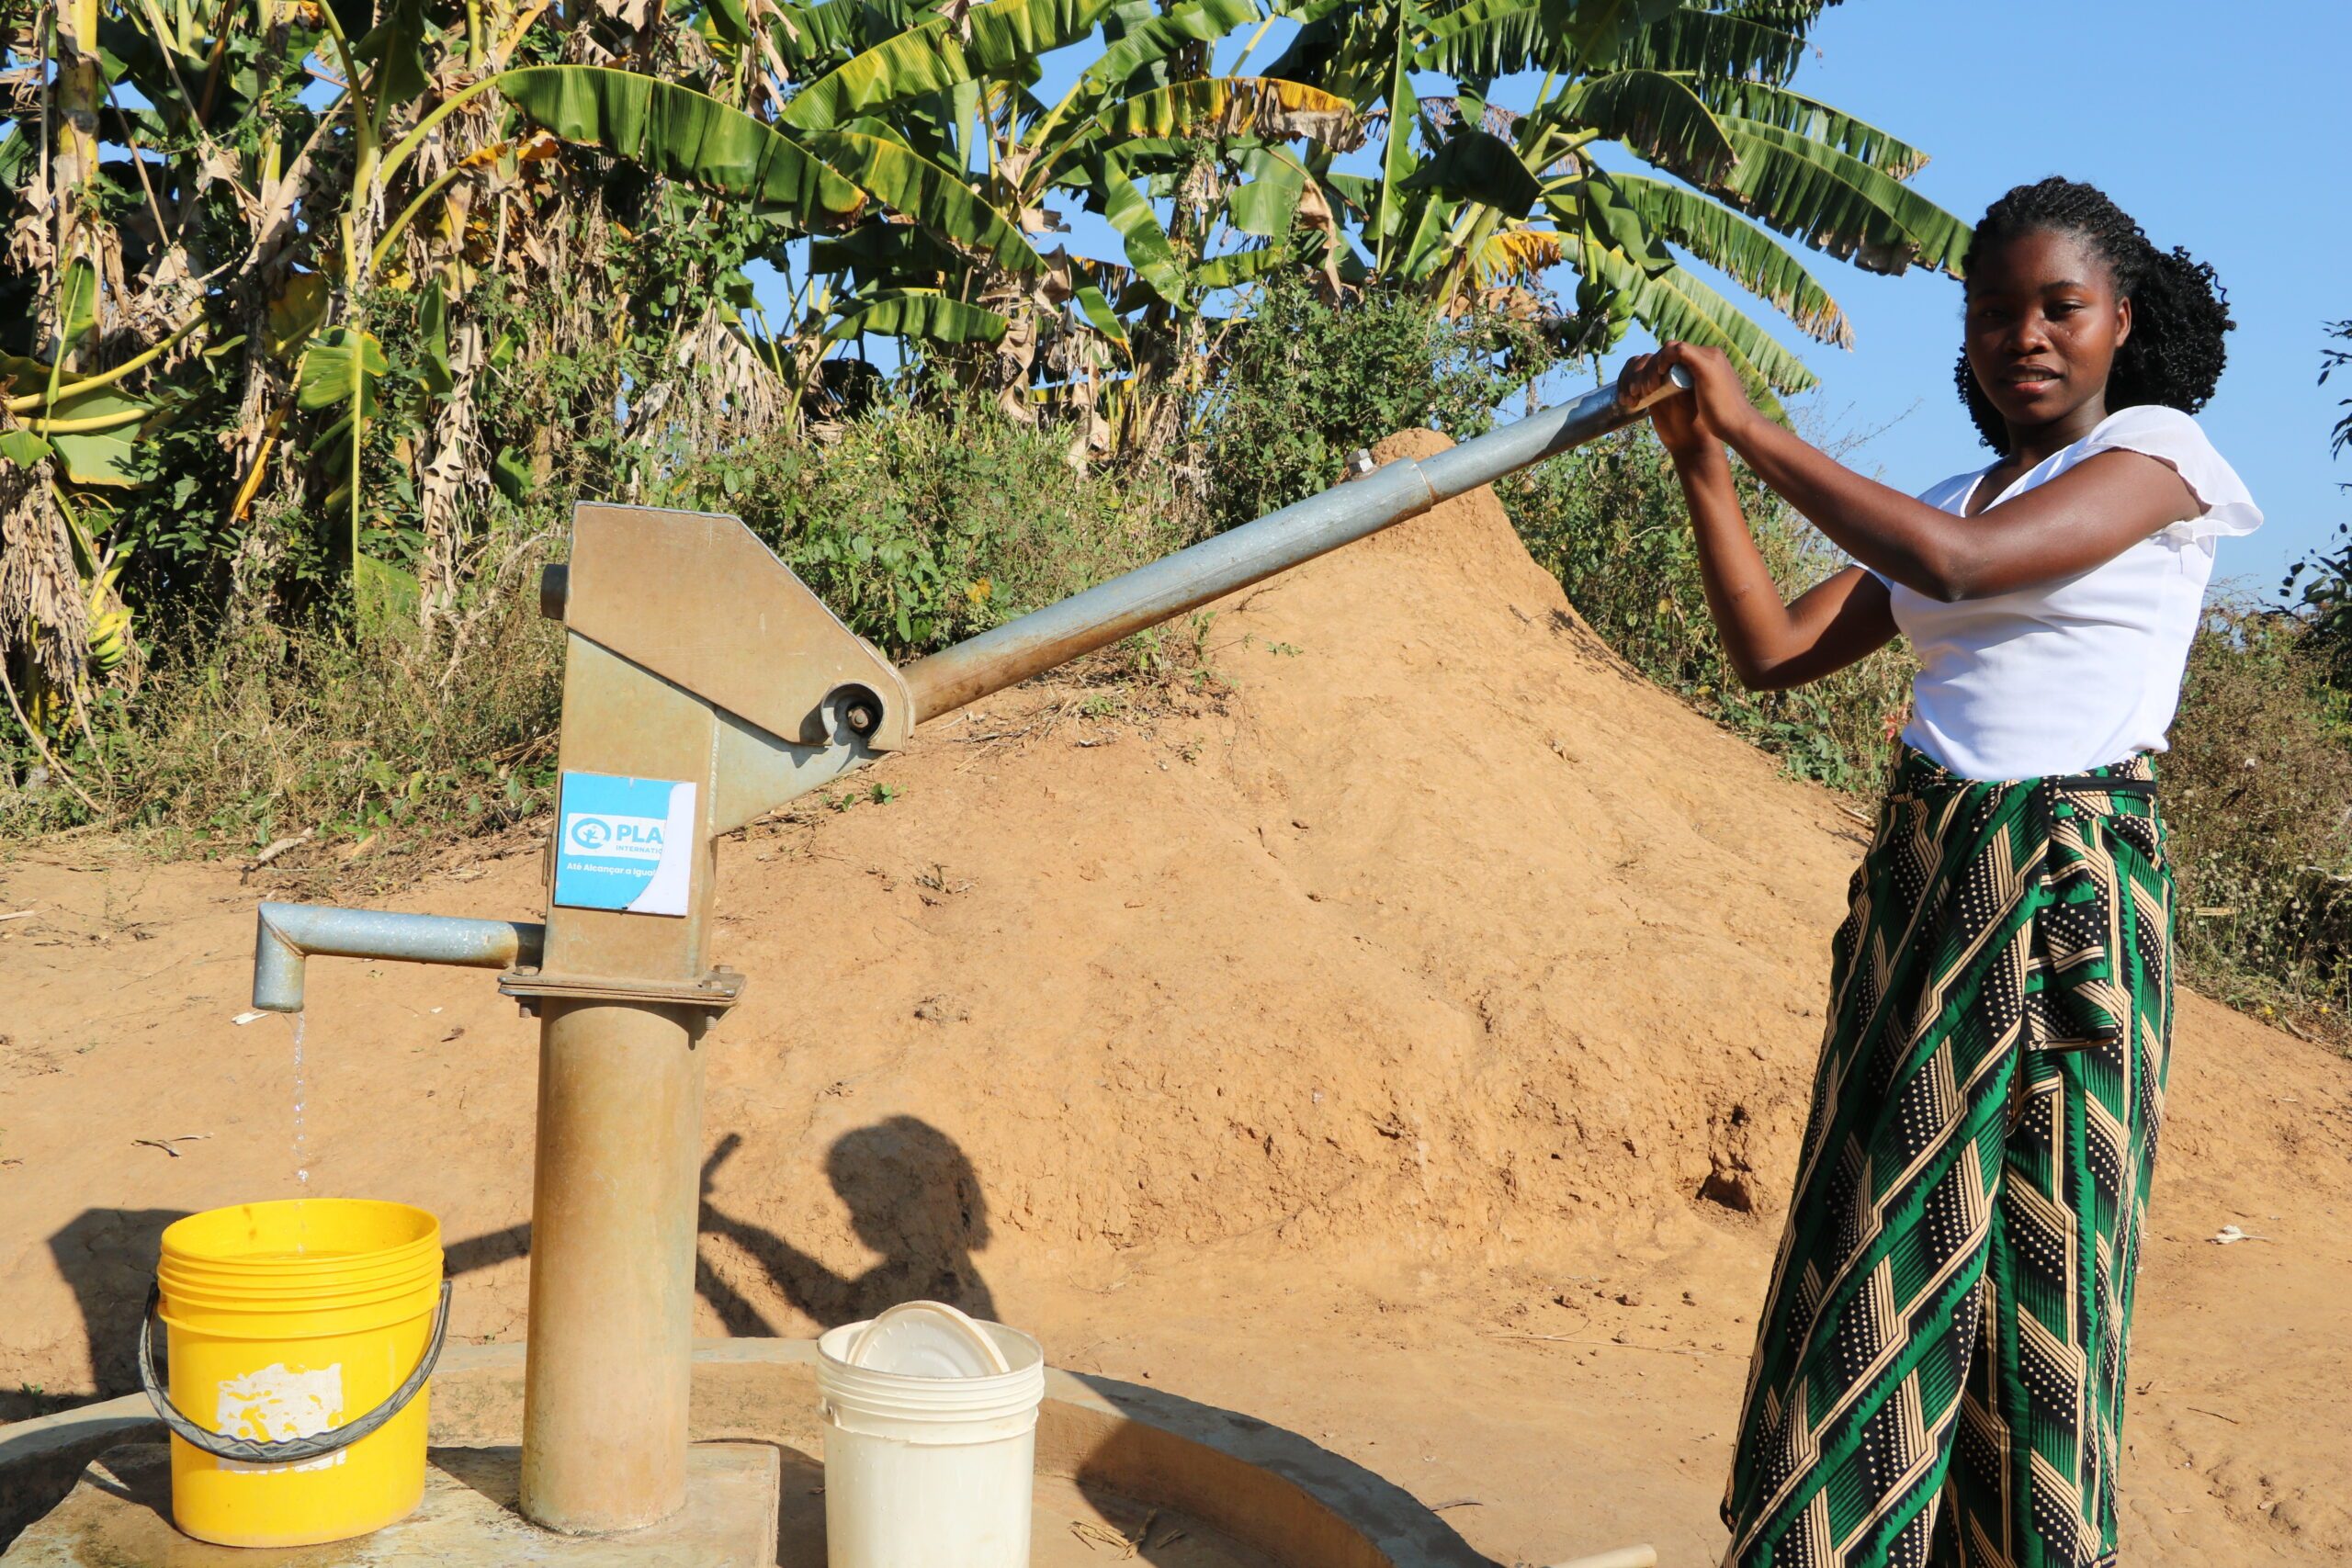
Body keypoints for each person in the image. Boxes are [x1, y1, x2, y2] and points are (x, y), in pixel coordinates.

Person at [1615, 176, 2262, 1568]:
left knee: (2043, 1265)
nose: (2021, 335)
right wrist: (1701, 461)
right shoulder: (1955, 493)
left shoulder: (2162, 461)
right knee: (1872, 1237)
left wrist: (1756, 424)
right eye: (1990, 311)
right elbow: (1775, 652)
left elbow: (1964, 573)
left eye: (2057, 307)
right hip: (1926, 894)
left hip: (2063, 897)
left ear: (2119, 322)